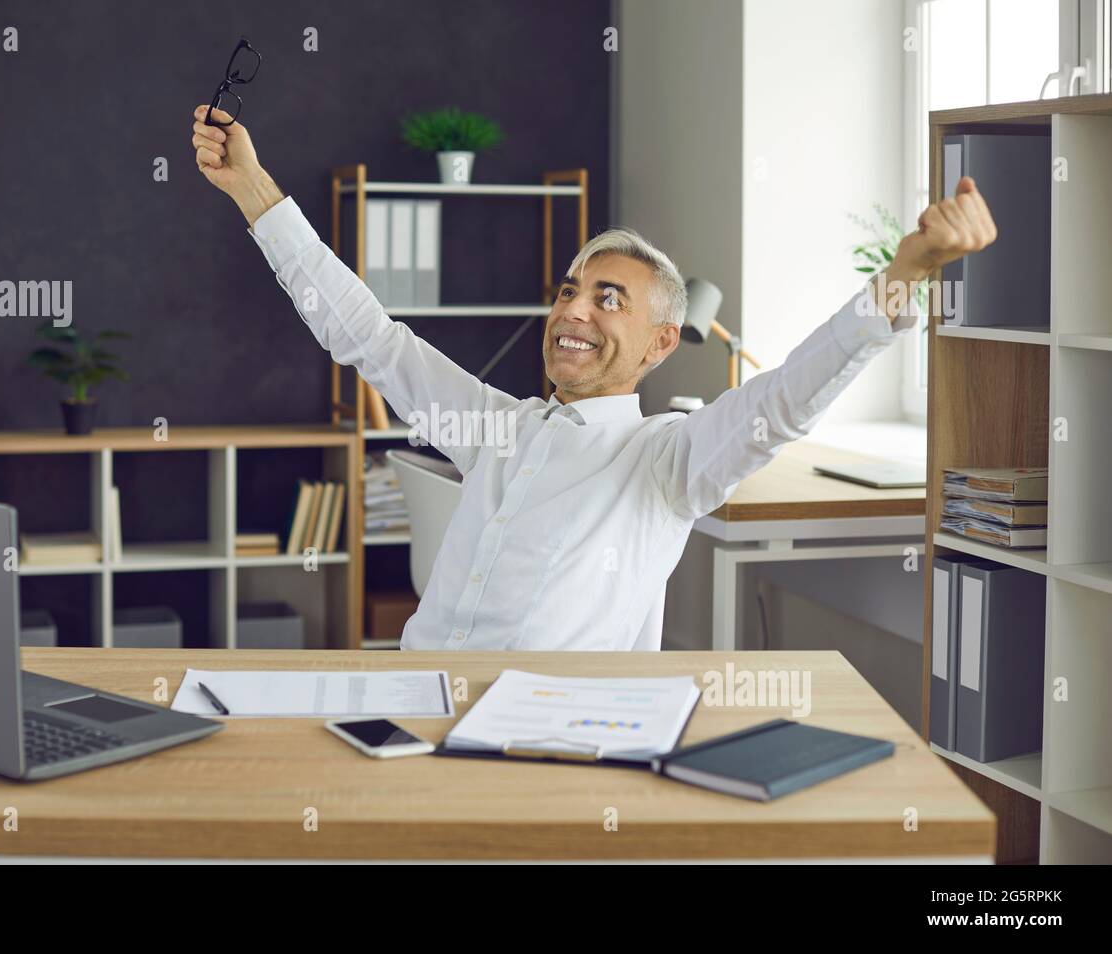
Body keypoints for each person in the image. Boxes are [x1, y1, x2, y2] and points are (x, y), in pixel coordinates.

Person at [190, 105, 997, 651]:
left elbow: (784, 399)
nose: (573, 310)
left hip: (546, 749)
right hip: (411, 712)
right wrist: (254, 191)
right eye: (569, 291)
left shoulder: (667, 460)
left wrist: (908, 270)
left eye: (608, 299)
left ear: (660, 342)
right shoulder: (494, 427)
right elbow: (367, 335)